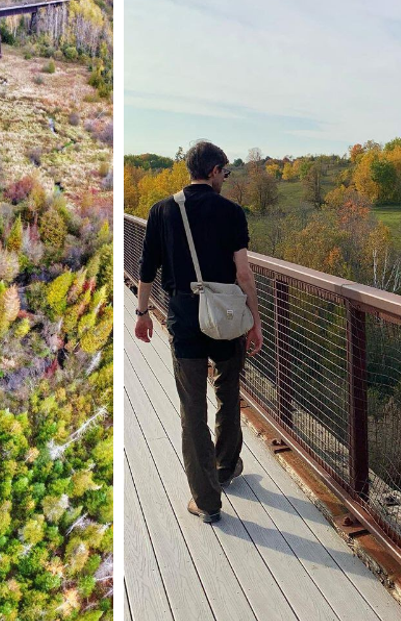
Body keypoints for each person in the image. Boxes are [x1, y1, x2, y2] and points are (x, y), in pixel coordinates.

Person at [134, 140, 263, 523]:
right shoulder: (231, 212)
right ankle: (225, 467)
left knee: (192, 407)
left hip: (184, 317)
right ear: (213, 171)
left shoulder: (161, 211)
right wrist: (254, 321)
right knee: (227, 389)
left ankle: (206, 500)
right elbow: (243, 274)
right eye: (224, 171)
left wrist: (141, 313)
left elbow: (146, 268)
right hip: (224, 317)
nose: (226, 177)